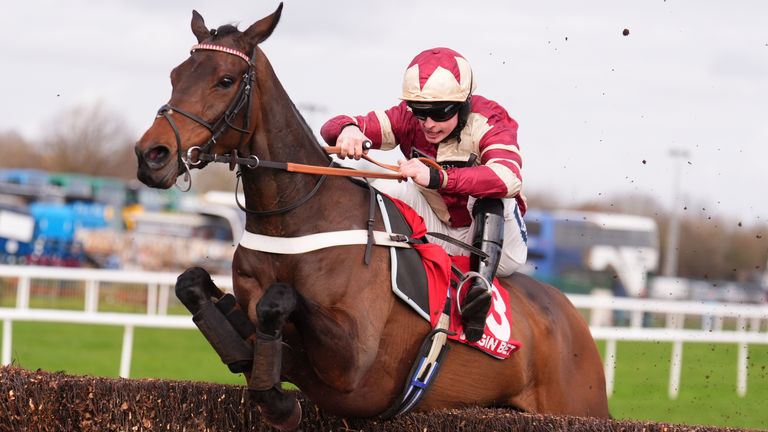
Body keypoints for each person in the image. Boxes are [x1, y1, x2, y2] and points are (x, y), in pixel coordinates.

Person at [320, 47, 527, 342]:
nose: (428, 123)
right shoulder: (407, 118)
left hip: (496, 241)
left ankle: (479, 287)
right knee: (385, 187)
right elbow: (331, 127)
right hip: (436, 223)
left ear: (464, 104)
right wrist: (348, 130)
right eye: (420, 112)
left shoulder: (491, 119)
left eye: (439, 113)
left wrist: (439, 177)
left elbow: (509, 177)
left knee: (492, 194)